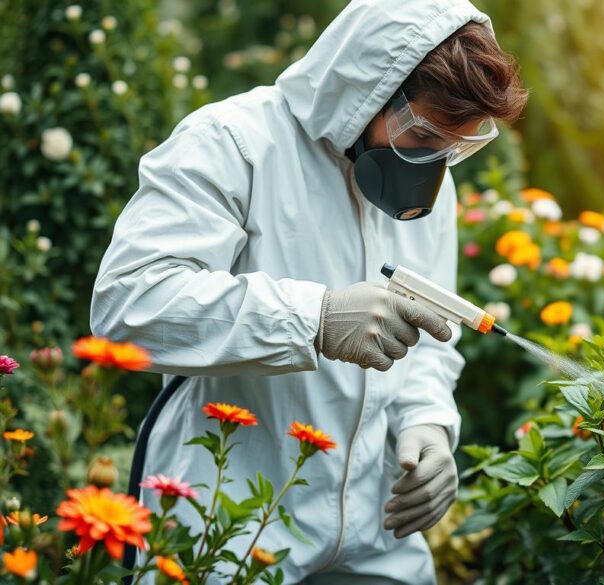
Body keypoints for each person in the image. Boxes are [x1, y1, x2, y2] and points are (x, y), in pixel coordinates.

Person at [89, 0, 527, 582]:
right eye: (421, 133)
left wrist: (428, 424)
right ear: (366, 89)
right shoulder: (234, 144)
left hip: (377, 532)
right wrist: (313, 318)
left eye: (454, 147)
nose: (432, 164)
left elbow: (433, 336)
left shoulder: (429, 187)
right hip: (231, 526)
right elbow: (129, 302)